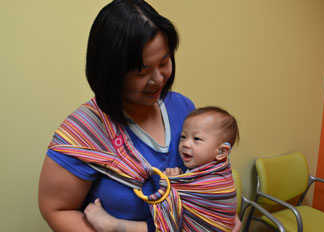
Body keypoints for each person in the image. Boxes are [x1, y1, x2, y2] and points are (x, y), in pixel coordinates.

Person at [38, 0, 241, 231]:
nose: (158, 79)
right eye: (141, 71)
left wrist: (222, 219)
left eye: (164, 62)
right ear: (111, 72)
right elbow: (55, 209)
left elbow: (209, 176)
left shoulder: (183, 108)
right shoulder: (84, 131)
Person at [84, 106, 240, 232]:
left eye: (196, 139)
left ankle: (115, 227)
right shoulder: (208, 168)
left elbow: (201, 205)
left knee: (167, 224)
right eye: (183, 137)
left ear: (221, 152)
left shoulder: (216, 179)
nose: (186, 144)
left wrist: (171, 184)